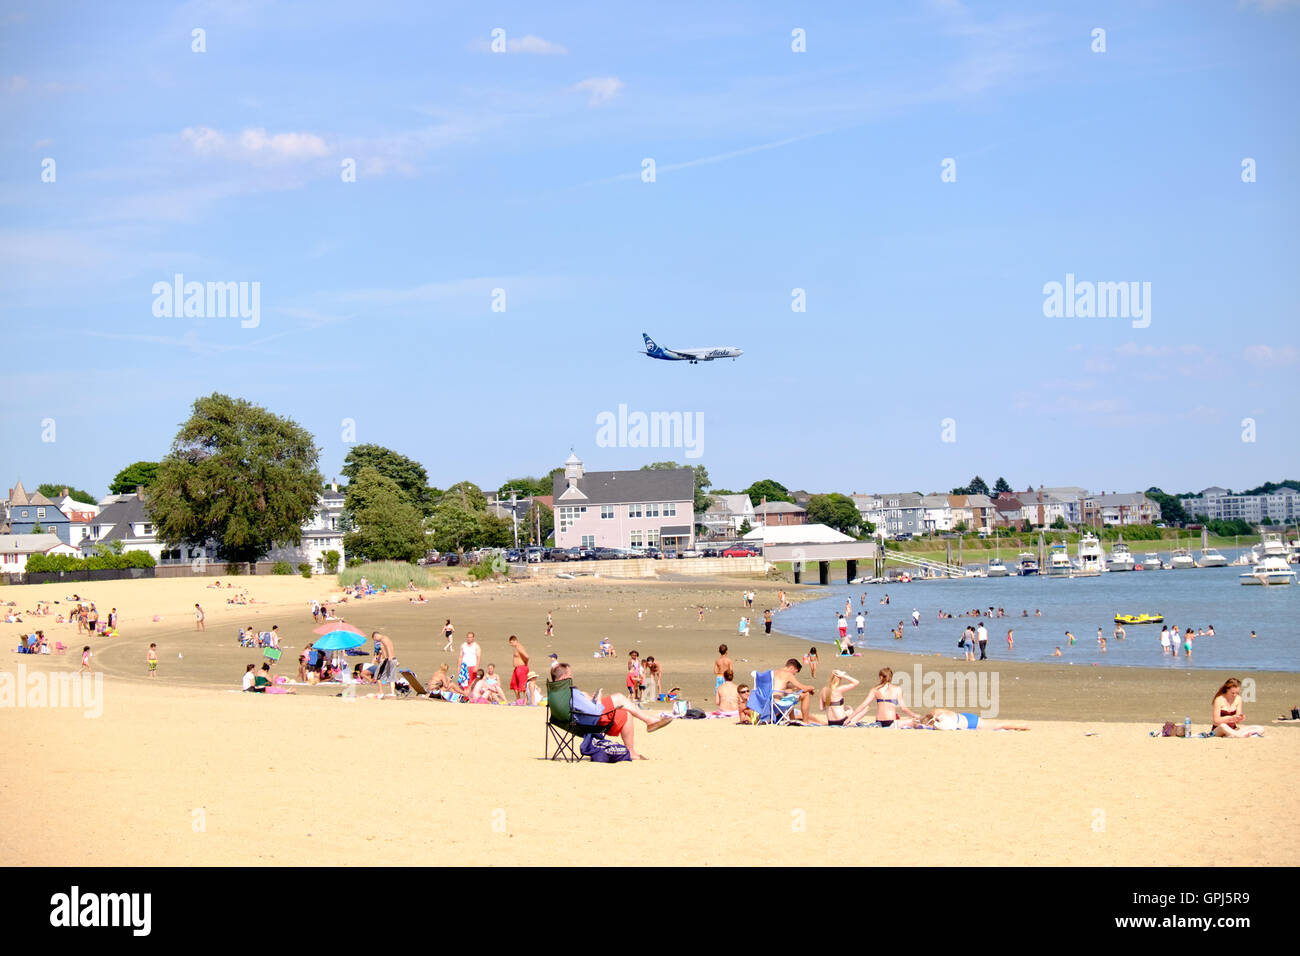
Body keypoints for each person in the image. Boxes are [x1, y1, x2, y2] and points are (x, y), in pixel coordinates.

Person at [553, 662, 672, 760]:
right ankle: (649, 721)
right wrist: (598, 700)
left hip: (575, 721)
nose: (571, 677)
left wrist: (589, 699)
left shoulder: (556, 694)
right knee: (620, 698)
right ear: (564, 678)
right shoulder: (571, 693)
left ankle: (631, 753)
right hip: (589, 722)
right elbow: (595, 712)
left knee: (626, 714)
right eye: (570, 675)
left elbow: (579, 706)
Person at [847, 667, 920, 727]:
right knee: (915, 722)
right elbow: (903, 708)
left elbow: (863, 705)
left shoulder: (875, 689)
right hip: (891, 722)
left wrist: (850, 718)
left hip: (879, 722)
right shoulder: (897, 689)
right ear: (891, 677)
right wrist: (914, 715)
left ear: (881, 677)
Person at [771, 658, 817, 723]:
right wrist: (811, 687)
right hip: (778, 704)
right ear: (792, 667)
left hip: (769, 702)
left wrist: (794, 689)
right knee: (805, 694)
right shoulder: (788, 674)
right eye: (795, 672)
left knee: (790, 694)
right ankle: (806, 722)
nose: (794, 674)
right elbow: (803, 688)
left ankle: (792, 720)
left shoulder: (773, 672)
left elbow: (779, 688)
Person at [920, 709, 1029, 731]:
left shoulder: (937, 716)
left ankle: (1023, 725)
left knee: (999, 725)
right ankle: (1019, 726)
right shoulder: (939, 711)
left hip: (969, 722)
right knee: (997, 724)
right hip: (964, 717)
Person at [374, 630, 398, 698]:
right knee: (391, 676)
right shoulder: (387, 638)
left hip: (388, 659)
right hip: (394, 659)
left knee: (378, 675)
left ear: (376, 636)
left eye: (375, 639)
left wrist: (389, 656)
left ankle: (381, 692)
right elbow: (391, 648)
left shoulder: (382, 639)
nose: (376, 641)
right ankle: (392, 693)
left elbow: (386, 647)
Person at [508, 635, 529, 701]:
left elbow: (527, 656)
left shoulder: (519, 647)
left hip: (521, 668)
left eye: (511, 642)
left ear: (515, 641)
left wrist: (525, 663)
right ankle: (518, 700)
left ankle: (525, 700)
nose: (510, 644)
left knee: (522, 685)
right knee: (514, 684)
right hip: (517, 669)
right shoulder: (516, 648)